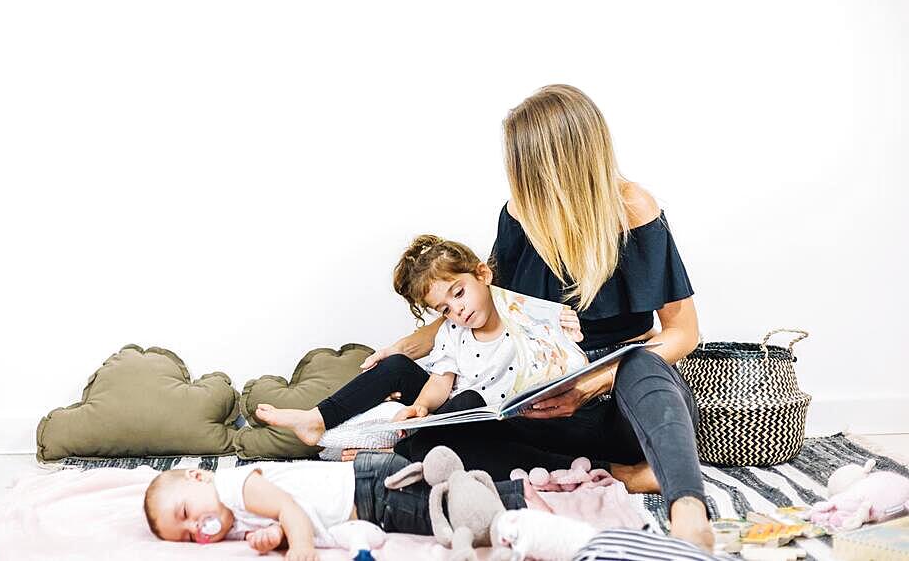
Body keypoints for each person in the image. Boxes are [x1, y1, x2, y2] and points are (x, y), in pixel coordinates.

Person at [361, 85, 713, 550]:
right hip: (545, 396)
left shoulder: (634, 209)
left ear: (557, 165)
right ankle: (618, 475)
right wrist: (402, 349)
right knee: (436, 438)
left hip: (620, 399)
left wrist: (590, 383)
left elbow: (683, 332)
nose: (516, 179)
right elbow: (482, 305)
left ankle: (687, 507)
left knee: (641, 363)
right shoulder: (518, 215)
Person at [254, 234, 584, 444]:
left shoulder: (522, 314)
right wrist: (420, 407)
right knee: (398, 365)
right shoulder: (453, 331)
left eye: (459, 293)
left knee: (470, 402)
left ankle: (404, 452)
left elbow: (563, 359)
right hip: (452, 413)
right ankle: (316, 419)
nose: (458, 310)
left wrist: (564, 328)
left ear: (482, 275)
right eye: (445, 307)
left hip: (500, 421)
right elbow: (442, 382)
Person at [142, 450, 537, 559]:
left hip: (369, 492)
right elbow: (283, 520)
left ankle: (520, 500)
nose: (199, 528)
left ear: (198, 477)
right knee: (445, 505)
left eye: (186, 514)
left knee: (442, 516)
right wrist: (272, 539)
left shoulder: (233, 486)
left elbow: (289, 510)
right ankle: (514, 491)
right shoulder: (234, 516)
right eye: (190, 537)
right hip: (367, 498)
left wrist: (300, 547)